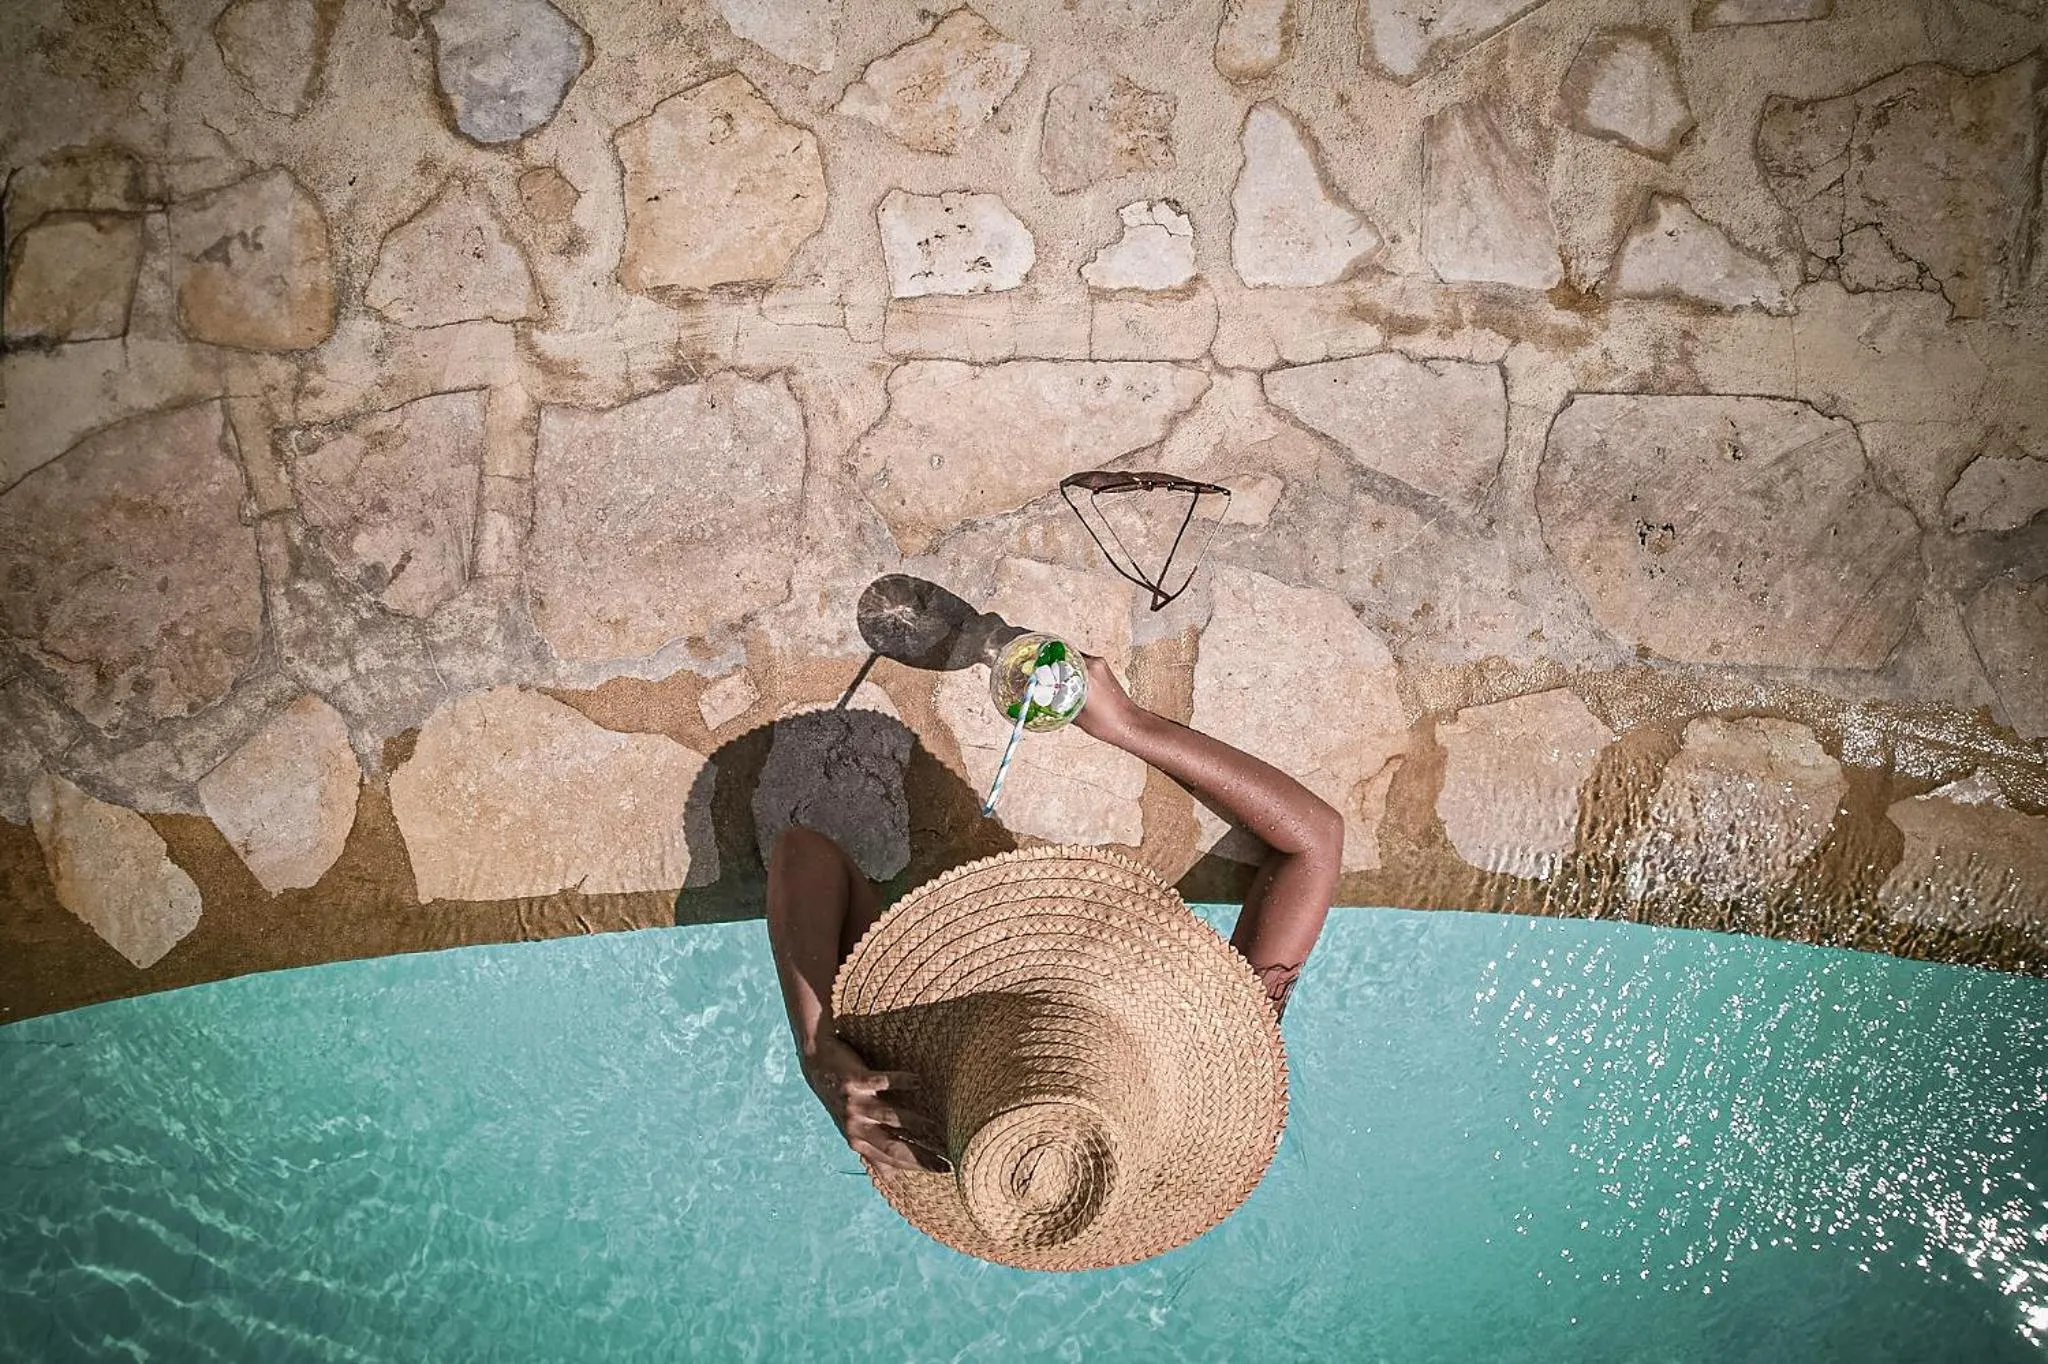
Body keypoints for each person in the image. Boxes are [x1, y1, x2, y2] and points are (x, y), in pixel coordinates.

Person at [766, 652, 1343, 1179]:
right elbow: (1314, 838)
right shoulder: (1215, 1053)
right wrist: (1130, 725)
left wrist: (817, 1049)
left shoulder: (919, 1101)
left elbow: (804, 855)